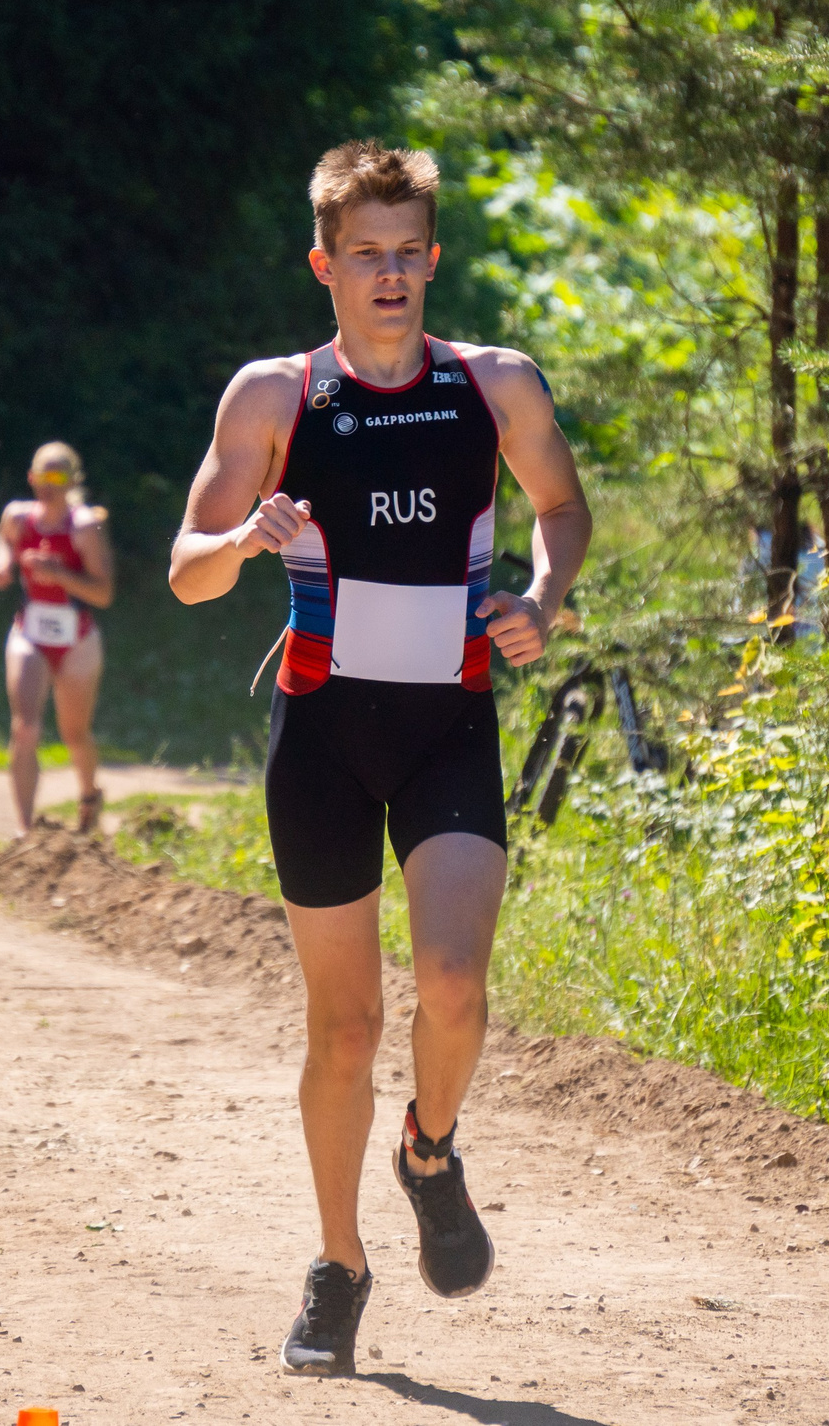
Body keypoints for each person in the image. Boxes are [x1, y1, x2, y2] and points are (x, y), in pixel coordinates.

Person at [168, 142, 592, 1377]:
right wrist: (249, 535)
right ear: (326, 265)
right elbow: (185, 574)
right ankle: (339, 1265)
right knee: (344, 1026)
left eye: (410, 251)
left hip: (449, 722)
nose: (391, 274)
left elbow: (560, 509)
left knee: (453, 982)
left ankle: (430, 1148)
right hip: (323, 744)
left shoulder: (492, 384)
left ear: (432, 260)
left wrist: (545, 595)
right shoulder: (274, 398)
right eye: (367, 254)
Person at [0, 442, 113, 834]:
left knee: (74, 734)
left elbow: (103, 593)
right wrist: (3, 563)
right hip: (30, 632)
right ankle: (25, 831)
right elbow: (2, 538)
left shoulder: (82, 526)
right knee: (24, 728)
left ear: (73, 481)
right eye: (42, 475)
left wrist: (59, 575)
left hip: (77, 638)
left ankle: (89, 795)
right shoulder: (18, 517)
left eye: (58, 477)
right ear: (31, 478)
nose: (49, 484)